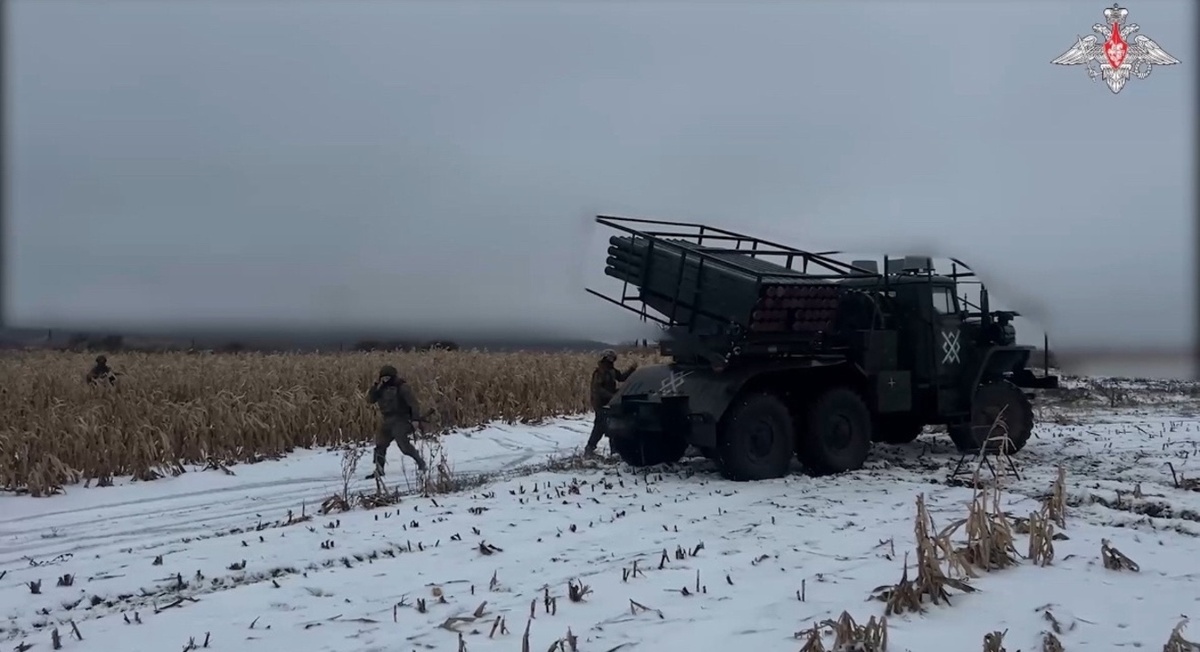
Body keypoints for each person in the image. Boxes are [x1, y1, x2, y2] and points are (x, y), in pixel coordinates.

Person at [365, 364, 427, 478]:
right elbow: (370, 400)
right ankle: (379, 469)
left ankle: (420, 462)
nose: (385, 380)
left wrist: (415, 419)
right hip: (386, 420)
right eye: (383, 378)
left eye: (387, 377)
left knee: (404, 447)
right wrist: (375, 388)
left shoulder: (402, 387)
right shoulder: (380, 388)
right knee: (380, 446)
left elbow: (413, 404)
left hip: (401, 420)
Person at [584, 349, 638, 456]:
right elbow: (598, 389)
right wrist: (612, 395)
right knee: (600, 426)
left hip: (609, 402)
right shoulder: (600, 372)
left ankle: (614, 450)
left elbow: (621, 378)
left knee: (612, 426)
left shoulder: (611, 370)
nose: (612, 360)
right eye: (610, 358)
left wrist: (631, 370)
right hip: (600, 403)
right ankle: (590, 448)